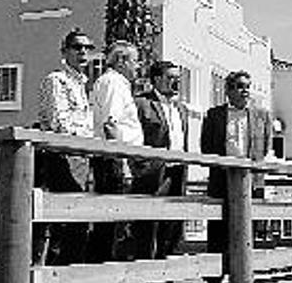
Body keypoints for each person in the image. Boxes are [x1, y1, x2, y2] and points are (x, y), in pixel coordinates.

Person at [200, 70, 272, 283]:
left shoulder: (262, 115)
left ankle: (247, 277)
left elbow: (266, 146)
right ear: (229, 90)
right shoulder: (214, 115)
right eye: (240, 86)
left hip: (251, 179)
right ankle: (214, 279)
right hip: (222, 178)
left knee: (250, 229)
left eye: (247, 86)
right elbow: (207, 147)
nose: (245, 90)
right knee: (219, 229)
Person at [33, 29, 95, 266]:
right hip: (61, 157)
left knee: (79, 224)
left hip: (81, 158)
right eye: (77, 47)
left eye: (87, 48)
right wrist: (88, 140)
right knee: (63, 223)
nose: (82, 52)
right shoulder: (56, 80)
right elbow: (59, 124)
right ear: (64, 51)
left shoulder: (82, 85)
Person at [89, 40, 144, 263]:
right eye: (135, 61)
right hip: (113, 160)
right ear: (122, 61)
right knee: (111, 224)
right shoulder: (113, 83)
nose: (138, 67)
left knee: (115, 224)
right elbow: (110, 124)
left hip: (115, 159)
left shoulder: (115, 83)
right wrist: (122, 161)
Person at [132, 61, 189, 263]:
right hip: (152, 172)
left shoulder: (180, 108)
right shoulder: (141, 103)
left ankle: (165, 279)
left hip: (177, 171)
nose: (176, 82)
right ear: (156, 79)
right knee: (147, 227)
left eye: (177, 78)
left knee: (172, 226)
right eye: (170, 77)